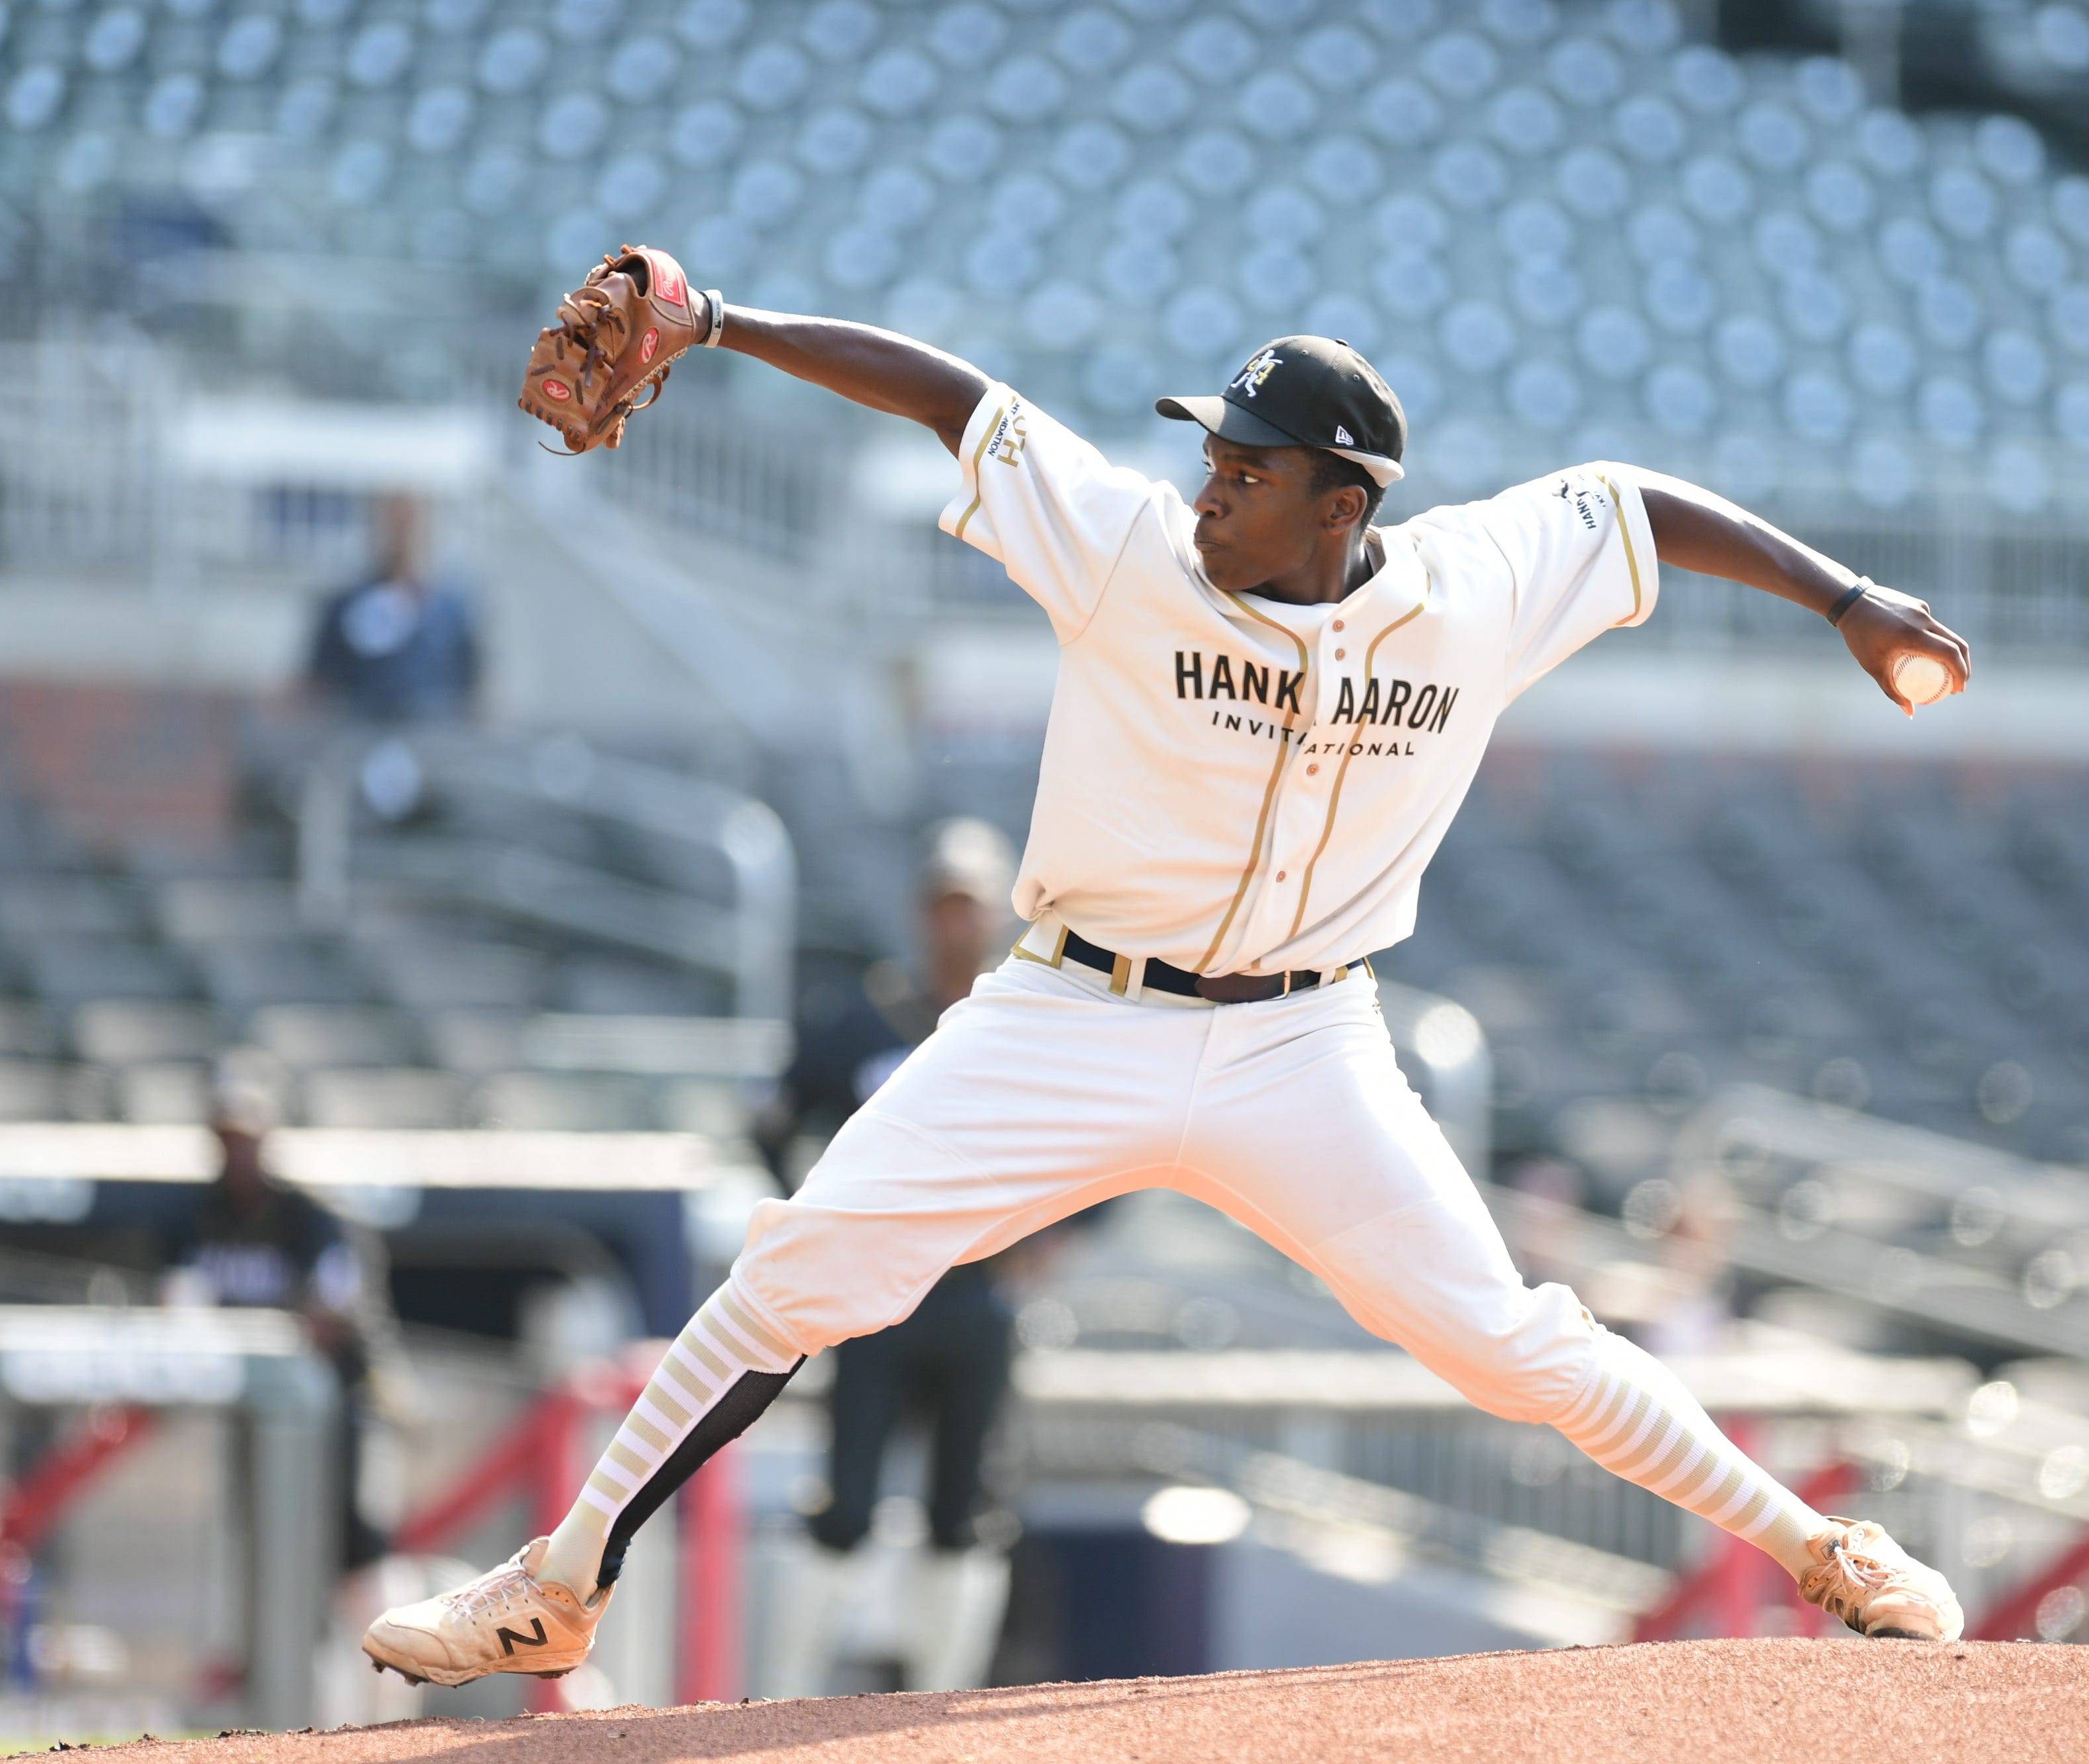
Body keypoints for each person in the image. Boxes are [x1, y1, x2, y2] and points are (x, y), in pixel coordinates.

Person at [362, 306, 1973, 1690]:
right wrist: (718, 321)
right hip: (1070, 1014)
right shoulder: (1134, 544)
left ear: (1343, 498)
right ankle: (560, 1583)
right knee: (802, 1261)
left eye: (1248, 463)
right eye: (1212, 448)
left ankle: (1825, 1550)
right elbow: (954, 399)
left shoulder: (1472, 586)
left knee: (1510, 1340)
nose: (1210, 479)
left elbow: (1632, 504)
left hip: (1302, 1040)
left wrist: (1843, 597)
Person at [760, 818, 1028, 1696]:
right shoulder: (860, 1022)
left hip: (974, 1294)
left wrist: (1058, 1232)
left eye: (972, 907)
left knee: (965, 1511)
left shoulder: (1027, 1022)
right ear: (922, 914)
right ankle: (780, 1704)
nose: (958, 926)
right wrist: (816, 1221)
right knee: (845, 1506)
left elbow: (1118, 1140)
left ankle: (945, 1707)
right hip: (875, 1297)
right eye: (944, 906)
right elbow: (771, 1116)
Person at [165, 1076, 391, 1575]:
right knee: (254, 1531)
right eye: (227, 1139)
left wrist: (258, 1334)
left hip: (334, 1401)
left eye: (246, 1138)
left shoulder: (309, 1217)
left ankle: (382, 1647)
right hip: (250, 1404)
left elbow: (331, 1317)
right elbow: (177, 1303)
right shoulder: (199, 1216)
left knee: (349, 1533)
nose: (236, 1151)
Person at [303, 492, 479, 723]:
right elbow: (319, 681)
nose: (401, 535)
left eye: (410, 522)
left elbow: (471, 689)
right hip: (359, 738)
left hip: (432, 741)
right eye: (392, 521)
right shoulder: (344, 605)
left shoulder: (451, 610)